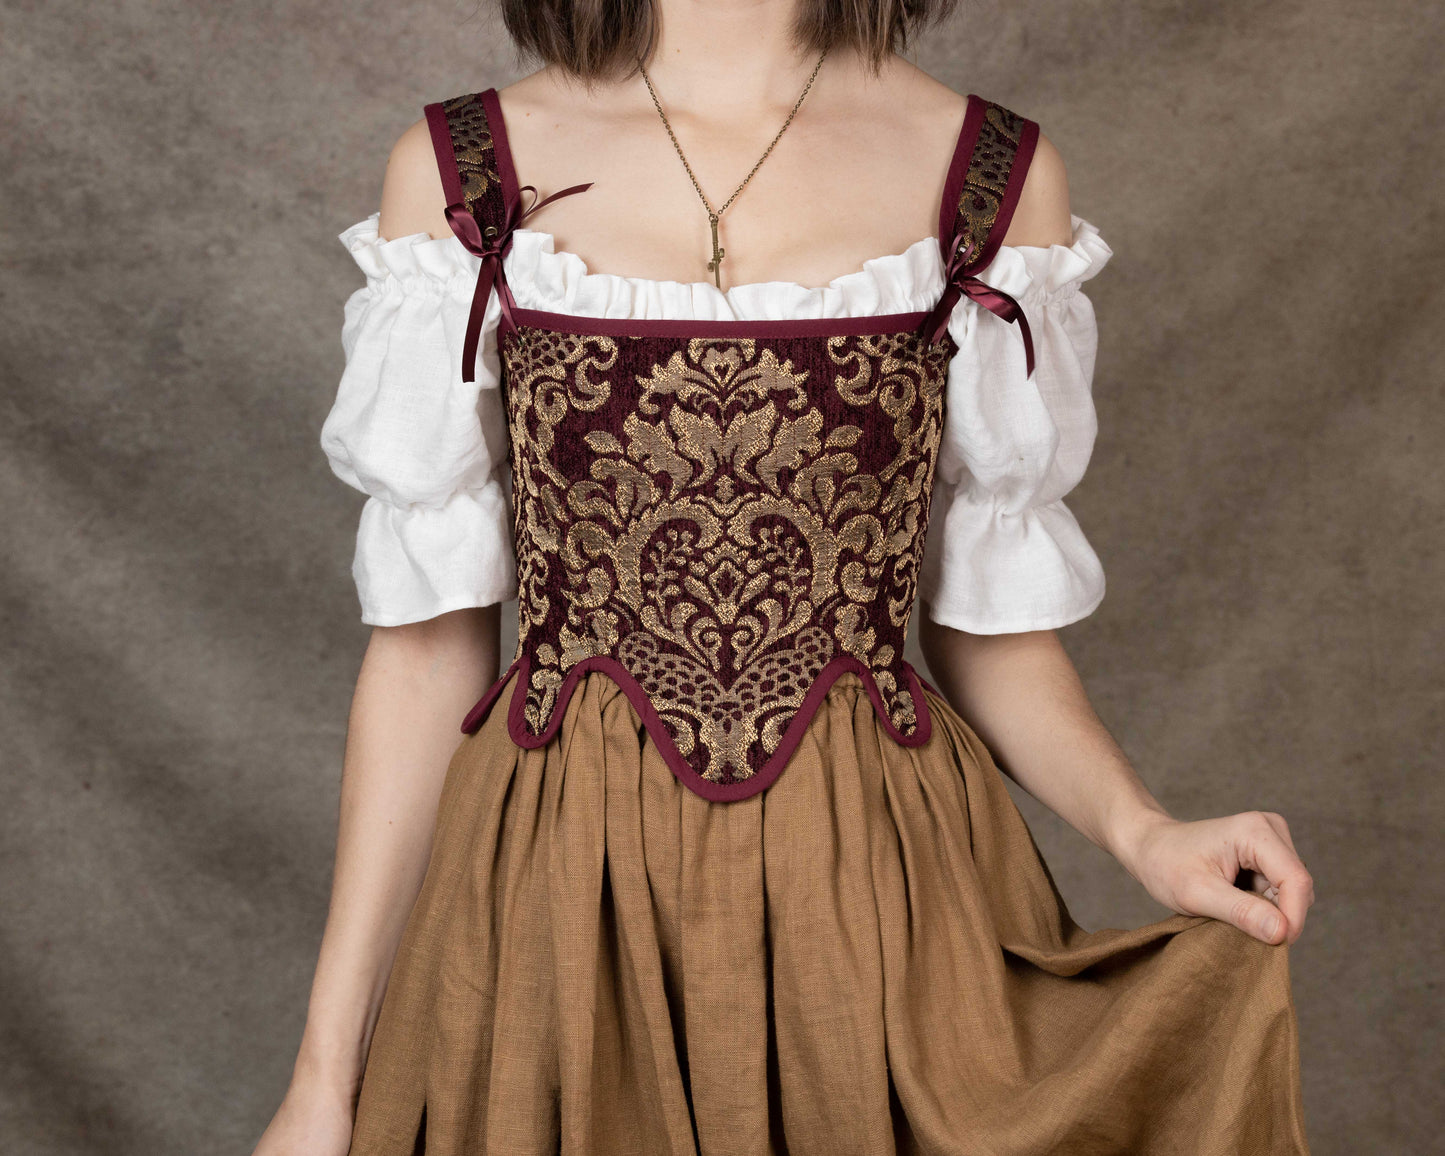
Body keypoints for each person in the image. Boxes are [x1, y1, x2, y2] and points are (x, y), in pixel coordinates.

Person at [254, 2, 1315, 1152]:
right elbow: (422, 653)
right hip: (557, 894)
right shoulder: (462, 172)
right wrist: (324, 1075)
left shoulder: (987, 175)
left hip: (872, 892)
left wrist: (1143, 831)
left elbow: (990, 624)